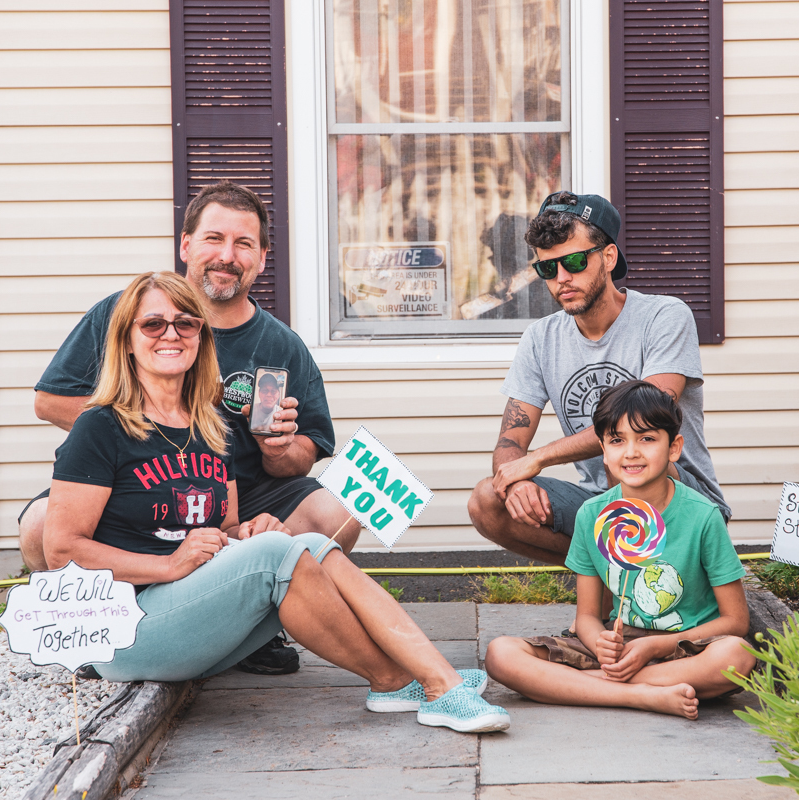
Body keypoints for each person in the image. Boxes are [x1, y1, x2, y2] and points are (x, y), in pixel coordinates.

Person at [45, 271, 510, 733]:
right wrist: (168, 566)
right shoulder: (100, 426)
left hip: (192, 614)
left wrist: (248, 532)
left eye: (186, 323)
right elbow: (62, 551)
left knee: (308, 543)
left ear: (201, 337)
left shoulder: (212, 427)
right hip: (124, 631)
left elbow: (225, 530)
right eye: (153, 324)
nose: (171, 334)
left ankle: (422, 677)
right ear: (126, 341)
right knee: (276, 554)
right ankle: (414, 682)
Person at [20, 183, 351, 674]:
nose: (227, 255)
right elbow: (49, 401)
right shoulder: (127, 311)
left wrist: (277, 447)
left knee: (338, 514)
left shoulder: (282, 345)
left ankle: (254, 624)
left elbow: (307, 453)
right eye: (214, 238)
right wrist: (148, 424)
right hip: (137, 487)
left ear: (262, 258)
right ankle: (90, 624)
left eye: (243, 244)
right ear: (186, 245)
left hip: (238, 496)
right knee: (40, 527)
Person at [467, 191, 730, 567]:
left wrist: (538, 459)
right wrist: (518, 480)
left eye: (574, 261)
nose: (562, 278)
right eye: (547, 268)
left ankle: (640, 581)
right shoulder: (541, 339)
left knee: (621, 454)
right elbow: (510, 442)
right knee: (487, 500)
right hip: (599, 502)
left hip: (683, 500)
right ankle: (609, 578)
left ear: (608, 257)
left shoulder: (664, 316)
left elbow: (642, 420)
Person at [483, 380, 754, 719]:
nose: (631, 452)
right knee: (500, 654)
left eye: (647, 439)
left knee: (737, 656)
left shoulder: (702, 516)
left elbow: (735, 621)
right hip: (618, 646)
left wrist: (654, 646)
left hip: (683, 648)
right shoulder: (592, 515)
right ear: (603, 450)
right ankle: (643, 695)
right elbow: (586, 617)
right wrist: (600, 643)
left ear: (674, 448)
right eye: (616, 440)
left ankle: (587, 687)